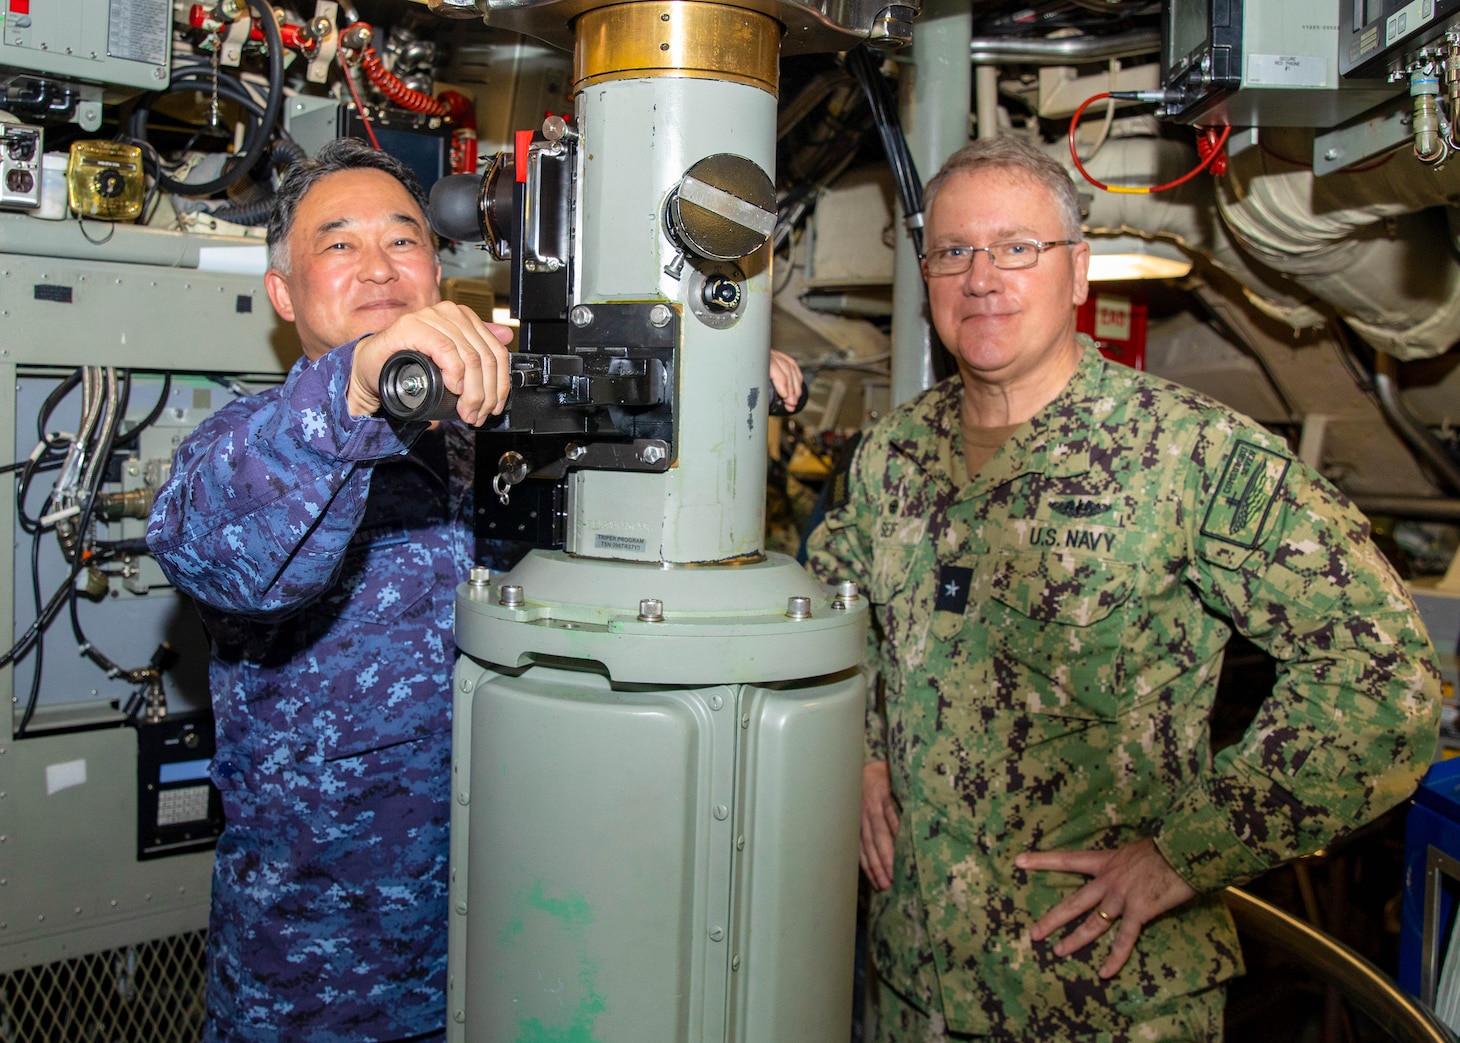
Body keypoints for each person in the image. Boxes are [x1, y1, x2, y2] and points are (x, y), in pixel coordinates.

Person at [147, 137, 803, 1043]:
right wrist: (361, 384)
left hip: (523, 956)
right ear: (284, 295)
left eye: (404, 240)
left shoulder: (500, 435)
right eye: (337, 244)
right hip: (326, 987)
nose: (378, 265)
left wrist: (706, 391)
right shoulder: (257, 443)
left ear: (439, 270)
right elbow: (218, 551)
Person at [806, 135, 1442, 1042]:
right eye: (954, 251)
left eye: (1017, 247)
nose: (981, 277)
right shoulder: (890, 455)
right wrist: (864, 748)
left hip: (1102, 998)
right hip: (916, 983)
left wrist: (1187, 853)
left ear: (1077, 274)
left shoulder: (1191, 457)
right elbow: (833, 613)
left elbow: (1385, 682)